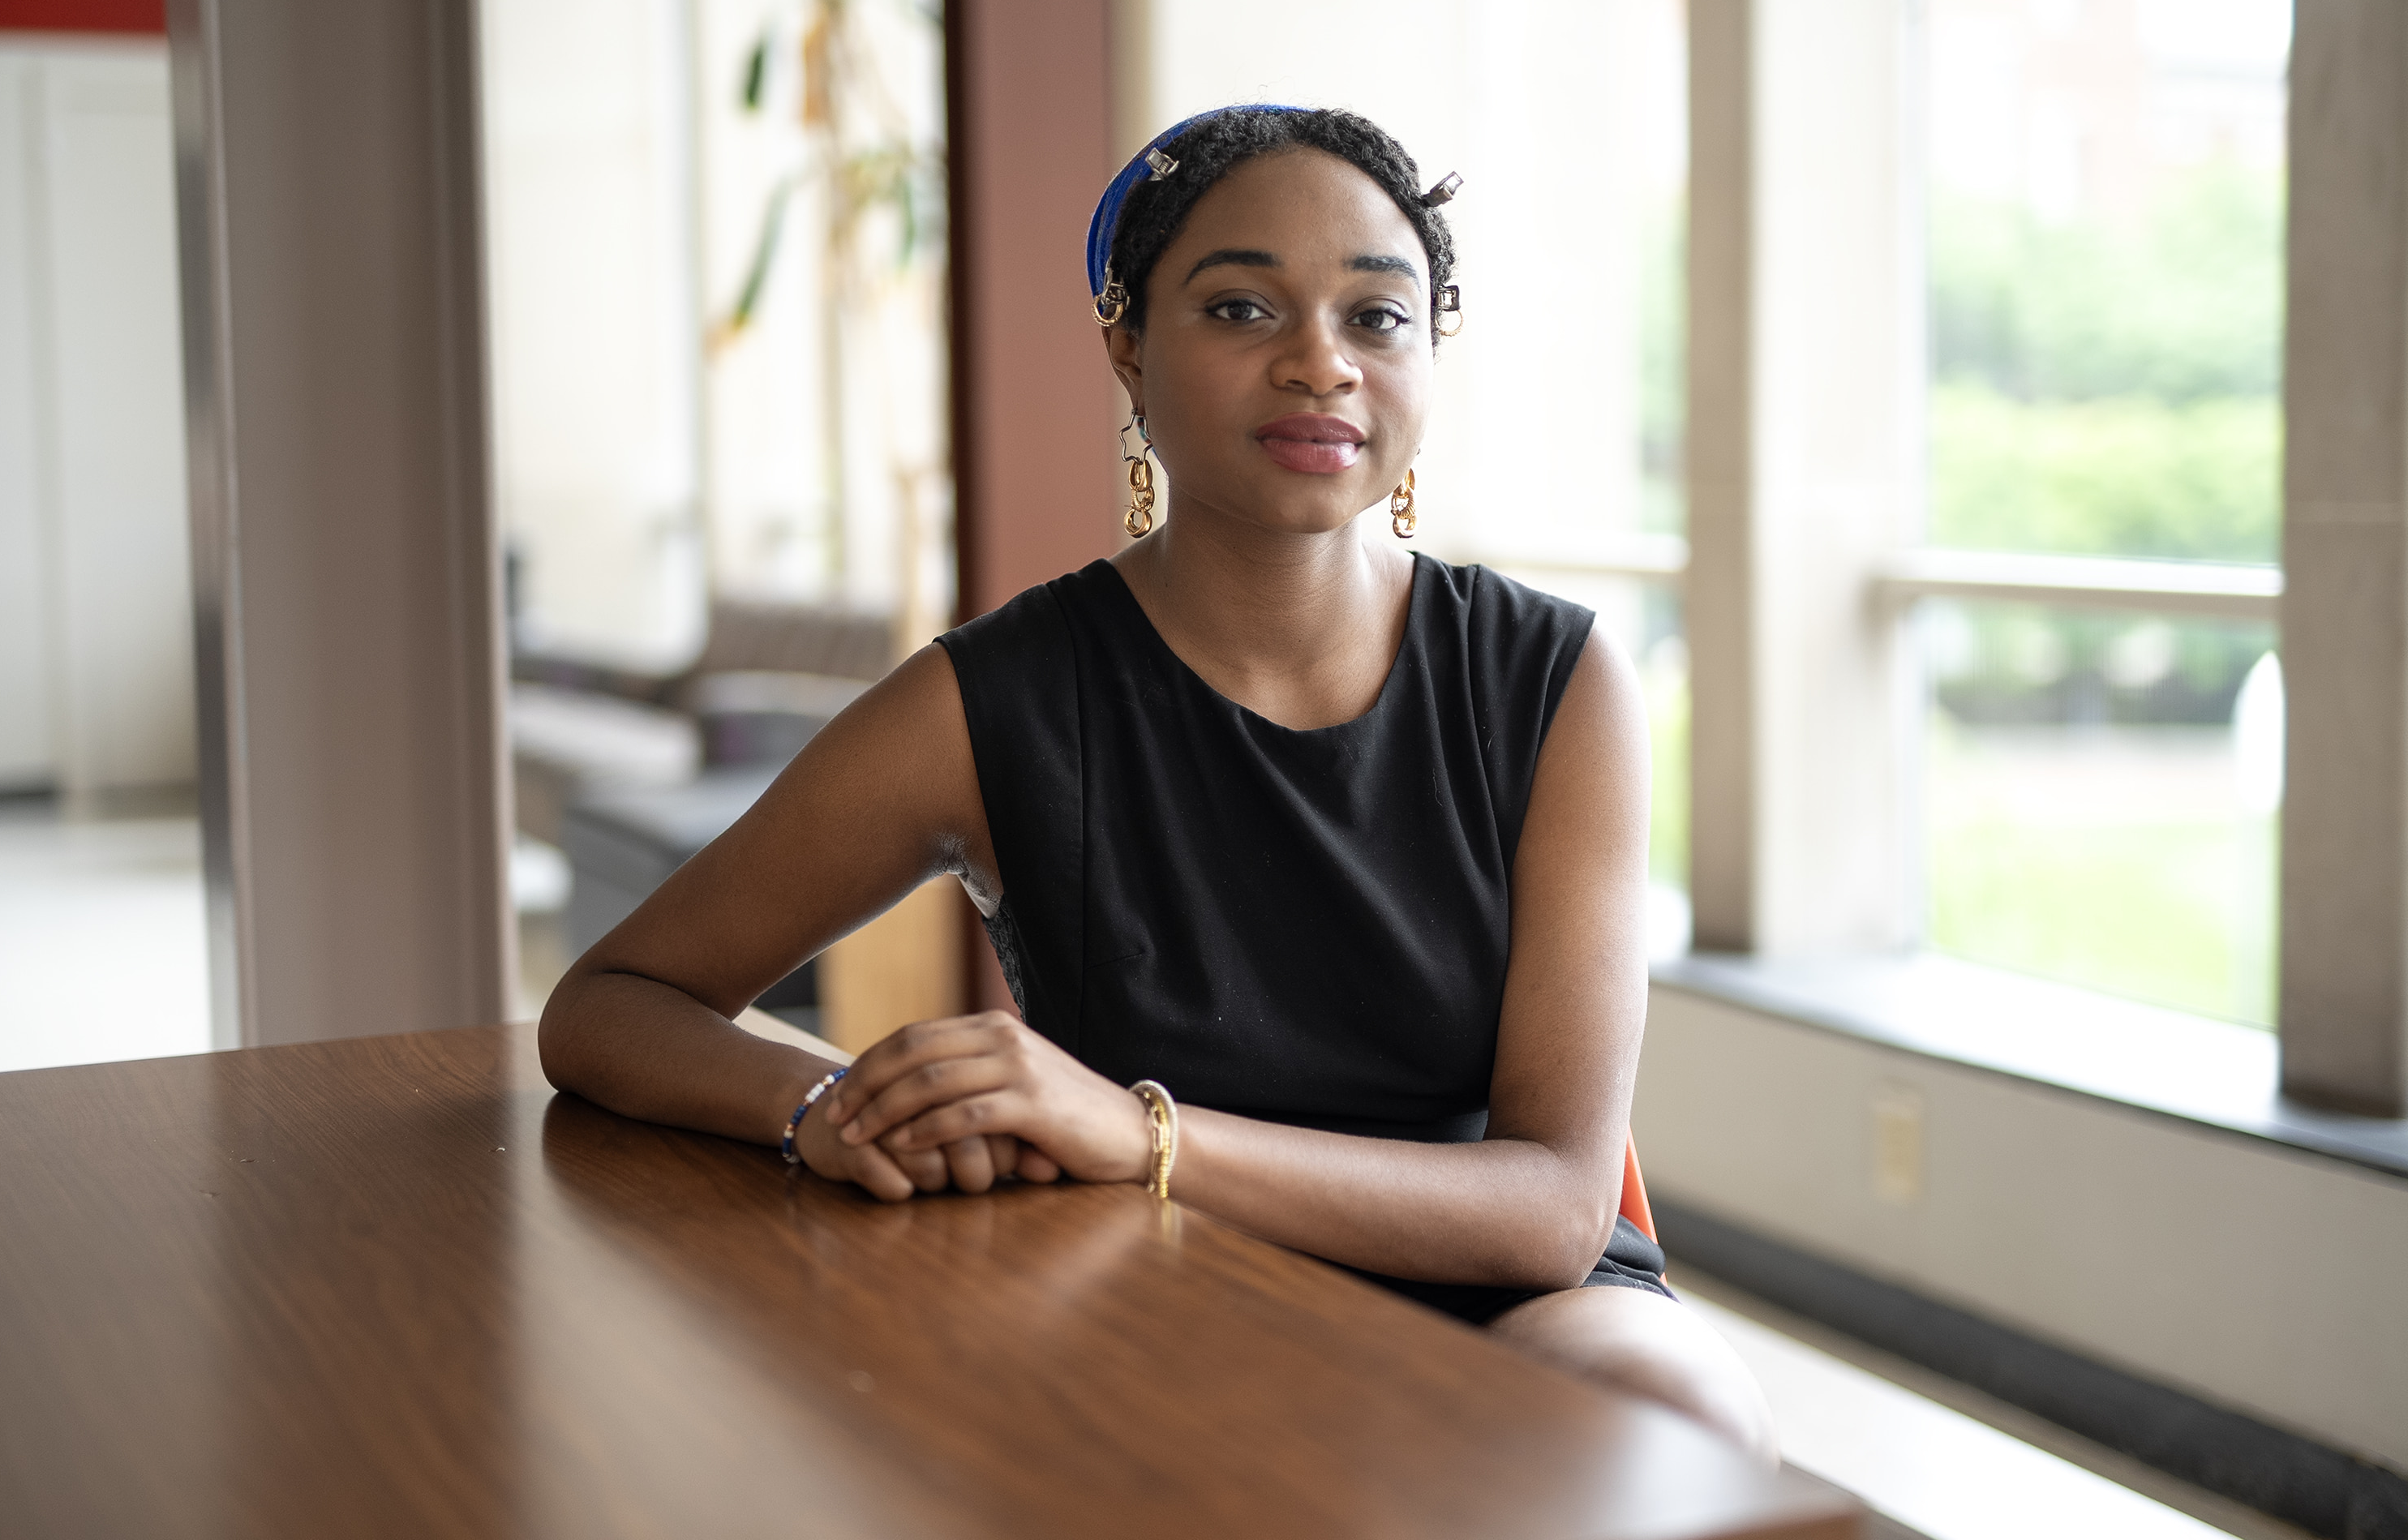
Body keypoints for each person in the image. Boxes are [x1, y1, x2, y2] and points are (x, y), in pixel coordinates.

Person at [538, 105, 1774, 1460]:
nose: (1321, 364)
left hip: (1513, 1297)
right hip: (1154, 1285)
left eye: (1377, 318)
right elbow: (608, 1006)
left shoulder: (1557, 679)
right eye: (1243, 308)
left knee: (1676, 1420)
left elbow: (1553, 1205)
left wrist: (1137, 1135)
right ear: (1127, 344)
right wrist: (820, 1112)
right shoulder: (996, 696)